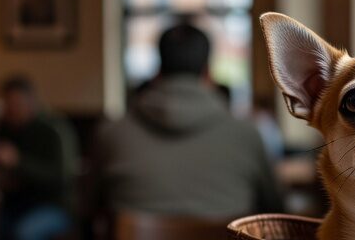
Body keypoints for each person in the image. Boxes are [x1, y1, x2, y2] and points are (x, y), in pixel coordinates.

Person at [97, 23, 282, 219]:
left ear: (158, 71)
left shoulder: (111, 133)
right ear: (208, 73)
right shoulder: (248, 135)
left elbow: (89, 208)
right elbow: (274, 210)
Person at [0, 75, 79, 240]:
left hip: (56, 207)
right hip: (17, 205)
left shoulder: (52, 129)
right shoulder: (5, 129)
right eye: (8, 104)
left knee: (24, 235)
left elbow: (61, 179)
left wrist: (18, 162)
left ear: (31, 101)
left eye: (16, 103)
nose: (12, 109)